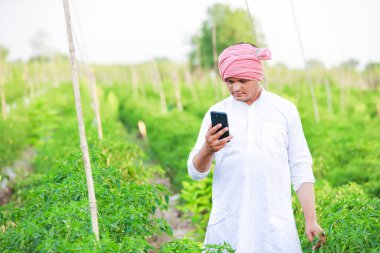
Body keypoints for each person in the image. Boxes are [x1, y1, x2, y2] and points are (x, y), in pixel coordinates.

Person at [187, 43, 325, 252]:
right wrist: (208, 149)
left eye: (243, 81)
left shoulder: (284, 110)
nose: (235, 88)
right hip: (229, 223)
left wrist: (311, 219)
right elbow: (195, 173)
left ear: (257, 75)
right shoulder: (216, 112)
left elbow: (300, 166)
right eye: (229, 81)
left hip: (274, 226)